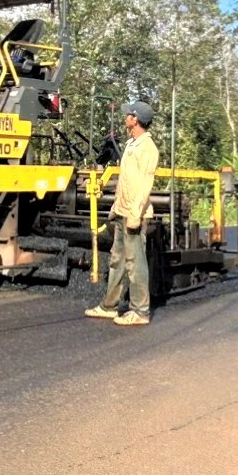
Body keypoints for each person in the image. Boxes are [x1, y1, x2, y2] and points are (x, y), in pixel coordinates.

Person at [85, 101, 160, 326]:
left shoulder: (148, 148)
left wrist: (135, 213)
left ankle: (140, 311)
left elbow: (145, 183)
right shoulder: (130, 144)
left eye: (129, 114)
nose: (125, 116)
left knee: (134, 263)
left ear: (135, 119)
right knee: (117, 260)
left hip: (134, 214)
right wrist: (115, 207)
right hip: (122, 211)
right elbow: (126, 180)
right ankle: (109, 306)